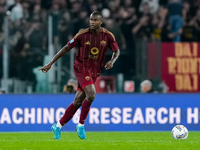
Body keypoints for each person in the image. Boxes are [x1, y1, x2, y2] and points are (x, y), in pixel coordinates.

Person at [38, 11, 120, 140]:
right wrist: (50, 63)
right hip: (81, 67)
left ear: (101, 22)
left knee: (77, 101)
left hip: (95, 70)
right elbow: (66, 48)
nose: (92, 22)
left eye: (95, 20)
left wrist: (112, 61)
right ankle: (81, 125)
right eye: (91, 19)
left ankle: (57, 126)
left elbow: (117, 50)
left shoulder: (108, 36)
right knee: (92, 94)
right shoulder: (82, 34)